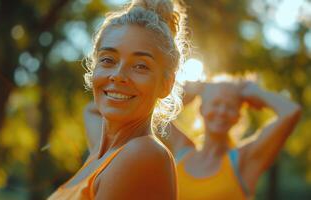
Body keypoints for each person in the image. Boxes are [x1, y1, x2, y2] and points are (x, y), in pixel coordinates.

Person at [48, 0, 191, 199]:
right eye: (108, 60)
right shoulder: (102, 152)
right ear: (94, 68)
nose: (118, 75)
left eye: (140, 66)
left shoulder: (142, 153)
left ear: (166, 84)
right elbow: (91, 111)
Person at [163, 80, 301, 200]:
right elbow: (156, 114)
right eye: (216, 103)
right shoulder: (183, 152)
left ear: (238, 116)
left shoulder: (243, 160)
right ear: (201, 109)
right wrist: (184, 94)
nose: (222, 111)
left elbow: (291, 111)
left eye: (230, 106)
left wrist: (258, 93)